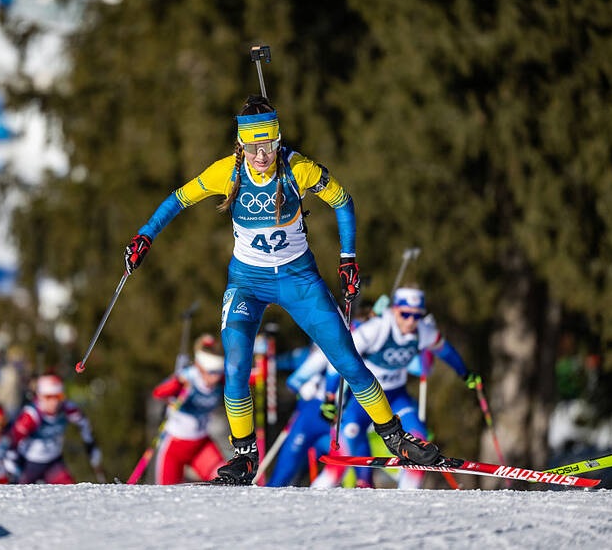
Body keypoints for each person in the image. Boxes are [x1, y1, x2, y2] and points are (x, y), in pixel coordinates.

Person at [124, 95, 442, 484]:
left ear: (278, 140)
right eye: (253, 147)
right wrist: (145, 236)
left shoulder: (298, 169)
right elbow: (178, 200)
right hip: (247, 283)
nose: (262, 156)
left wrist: (348, 258)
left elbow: (342, 201)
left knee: (347, 360)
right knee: (236, 362)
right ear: (241, 144)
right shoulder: (226, 172)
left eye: (269, 145)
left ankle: (396, 438)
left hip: (299, 280)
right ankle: (244, 456)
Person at [317, 287, 477, 488]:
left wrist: (465, 373)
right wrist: (330, 397)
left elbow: (445, 351)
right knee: (345, 444)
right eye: (405, 314)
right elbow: (339, 359)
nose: (411, 321)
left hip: (396, 397)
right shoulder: (377, 328)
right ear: (394, 310)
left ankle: (407, 495)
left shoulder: (422, 331)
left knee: (419, 444)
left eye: (416, 315)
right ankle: (343, 486)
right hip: (366, 399)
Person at [150, 334, 226, 484]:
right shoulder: (188, 377)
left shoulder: (220, 380)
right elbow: (159, 393)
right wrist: (177, 383)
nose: (215, 378)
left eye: (218, 372)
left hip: (201, 445)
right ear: (200, 367)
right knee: (167, 493)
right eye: (211, 372)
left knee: (224, 481)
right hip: (174, 448)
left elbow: (246, 378)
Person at [266, 343, 338, 487]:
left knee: (343, 466)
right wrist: (265, 357)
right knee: (287, 468)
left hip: (338, 420)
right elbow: (291, 378)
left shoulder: (357, 345)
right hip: (310, 416)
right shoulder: (309, 353)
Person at [11, 374, 103, 484]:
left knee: (70, 489)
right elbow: (14, 438)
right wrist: (13, 460)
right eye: (48, 397)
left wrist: (90, 445)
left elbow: (84, 423)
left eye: (58, 397)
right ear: (40, 396)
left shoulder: (67, 409)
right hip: (31, 463)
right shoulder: (31, 415)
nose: (54, 402)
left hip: (53, 462)